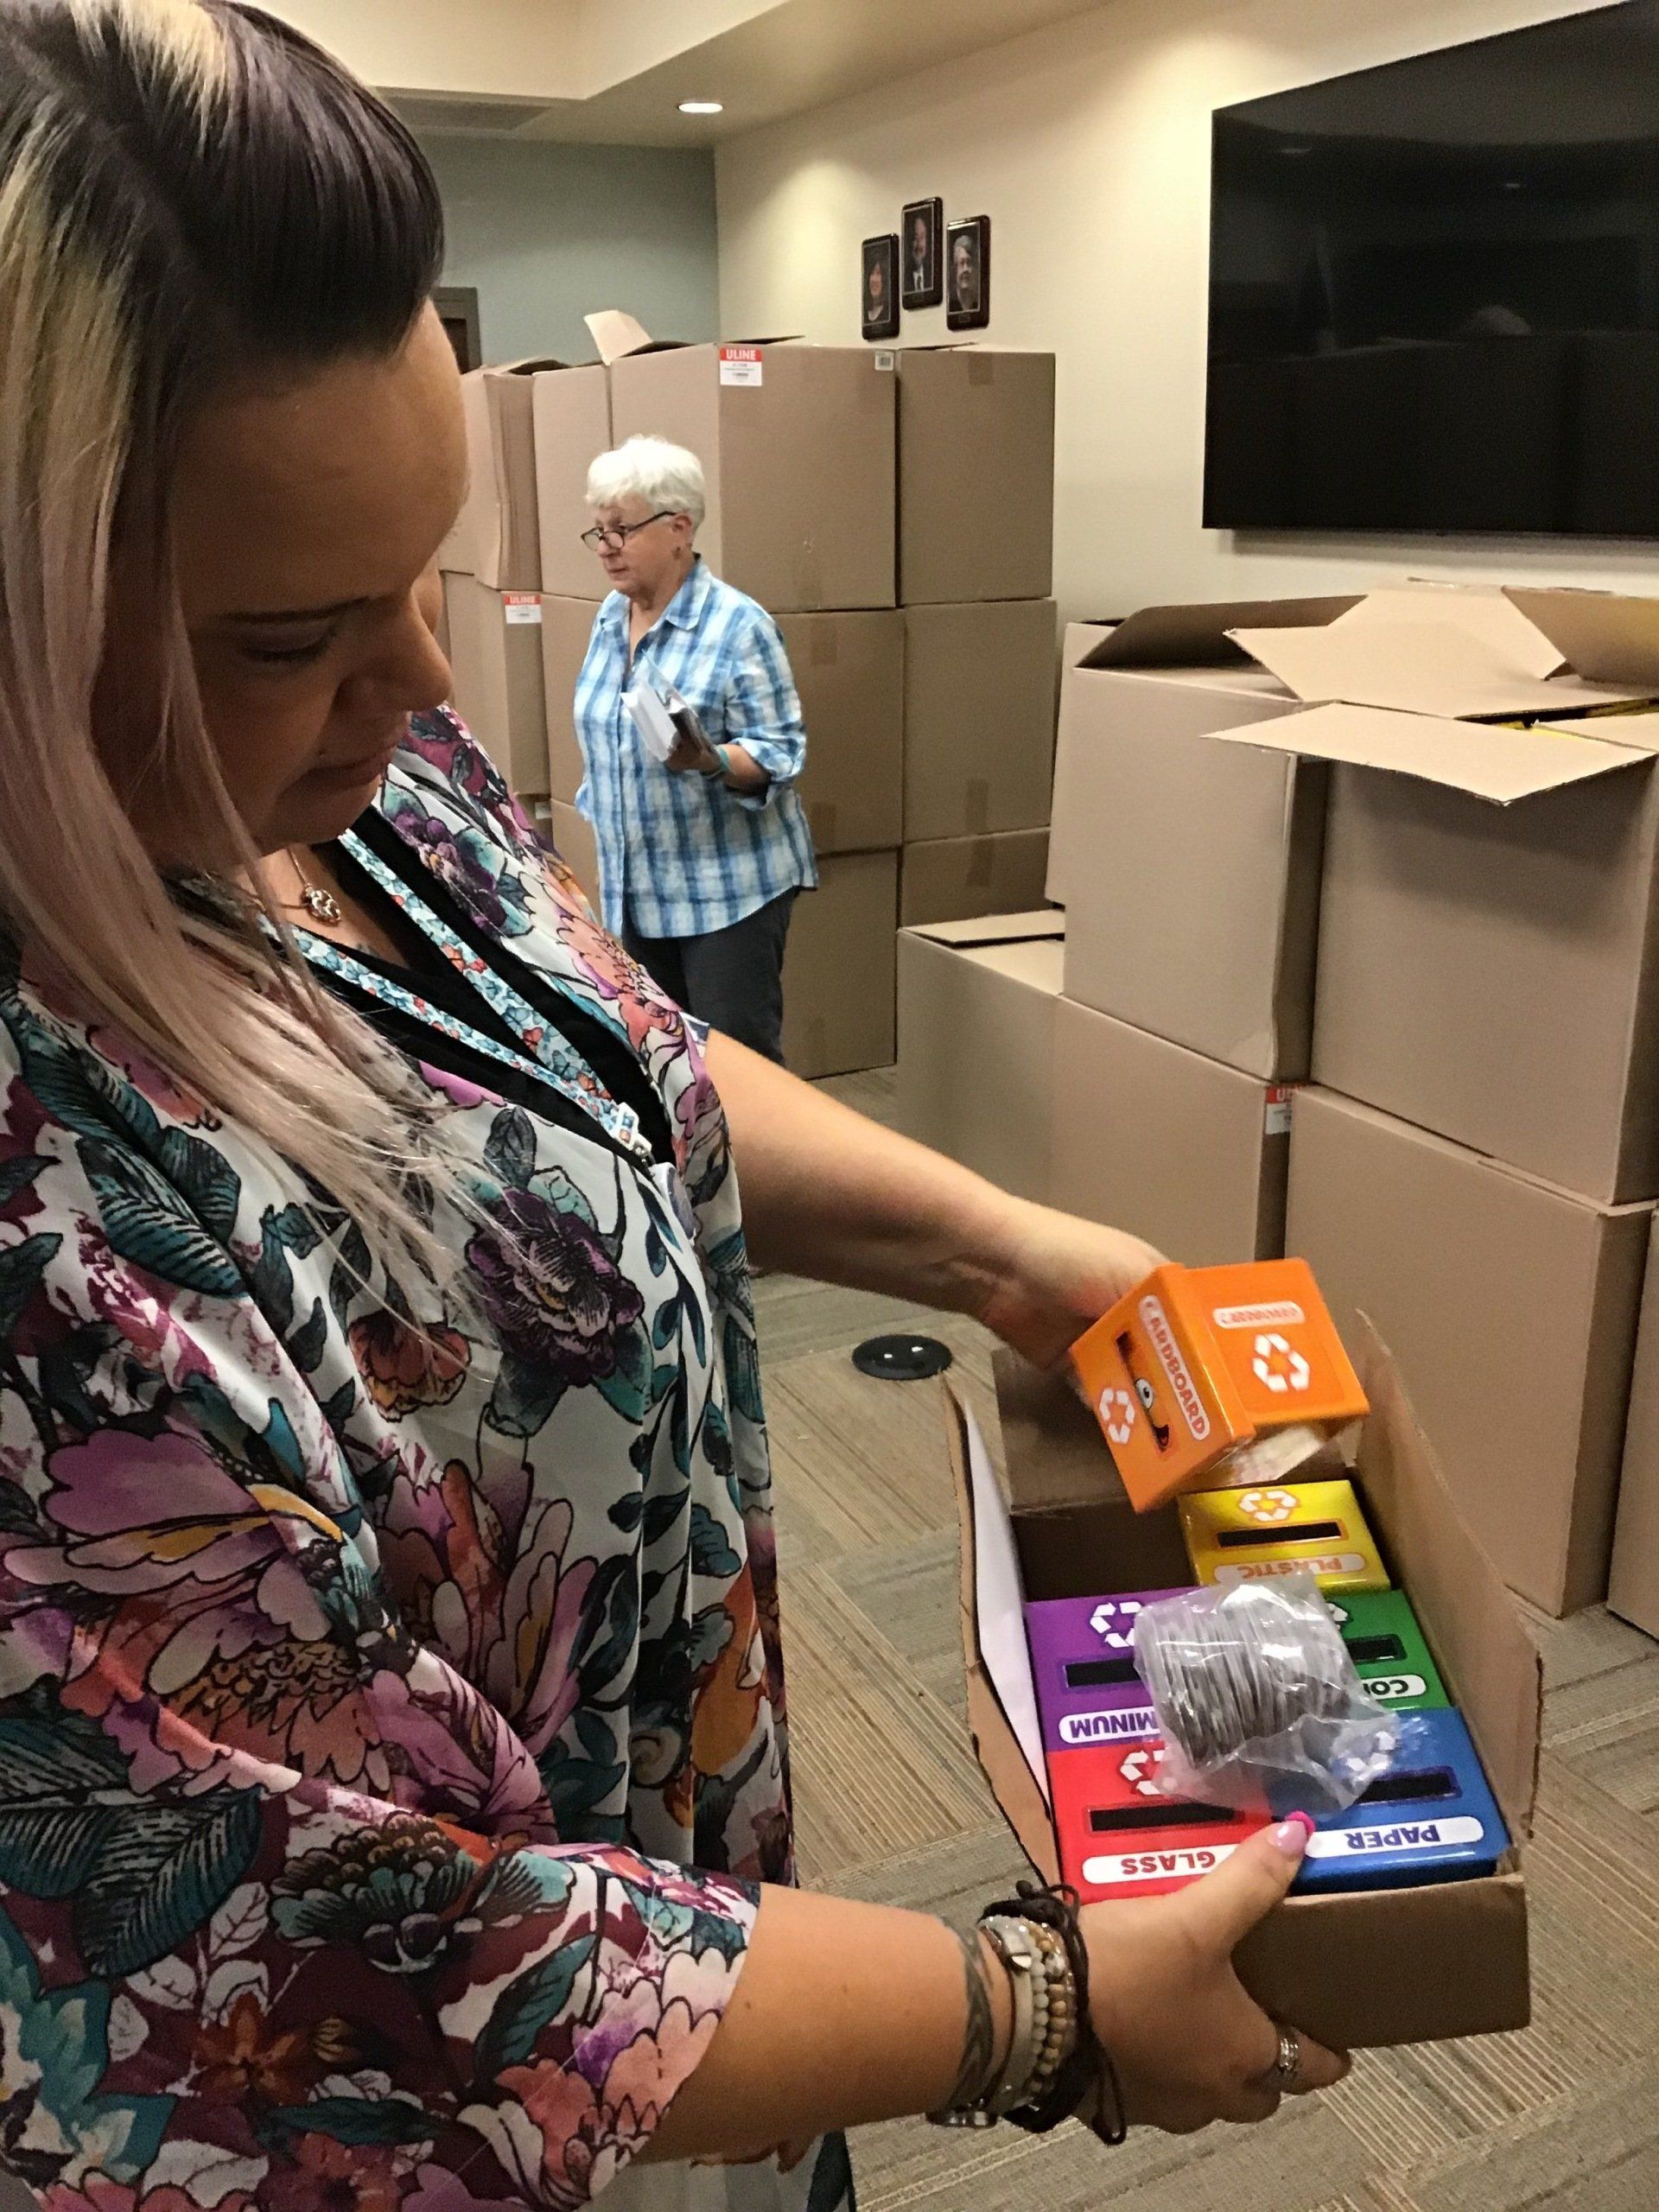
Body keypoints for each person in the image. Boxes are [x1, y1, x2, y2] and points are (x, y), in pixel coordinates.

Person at [0, 6, 1347, 2211]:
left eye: (428, 563)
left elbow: (598, 1057)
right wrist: (1040, 2004)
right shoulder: (40, 1246)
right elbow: (383, 1963)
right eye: (290, 632)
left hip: (690, 1887)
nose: (429, 680)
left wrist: (1010, 1252)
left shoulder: (363, 769)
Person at [573, 435, 816, 1065]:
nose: (607, 549)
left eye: (621, 530)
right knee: (663, 1066)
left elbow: (780, 756)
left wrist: (708, 760)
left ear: (679, 527)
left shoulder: (739, 627)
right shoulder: (609, 617)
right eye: (598, 532)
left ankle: (757, 1169)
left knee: (737, 1072)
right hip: (635, 891)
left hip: (724, 895)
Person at [952, 231, 981, 317]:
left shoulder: (978, 303)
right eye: (961, 263)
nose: (965, 269)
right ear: (955, 268)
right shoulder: (951, 304)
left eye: (969, 263)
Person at [907, 212, 932, 298]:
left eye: (922, 237)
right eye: (915, 237)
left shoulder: (932, 276)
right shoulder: (903, 280)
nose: (919, 244)